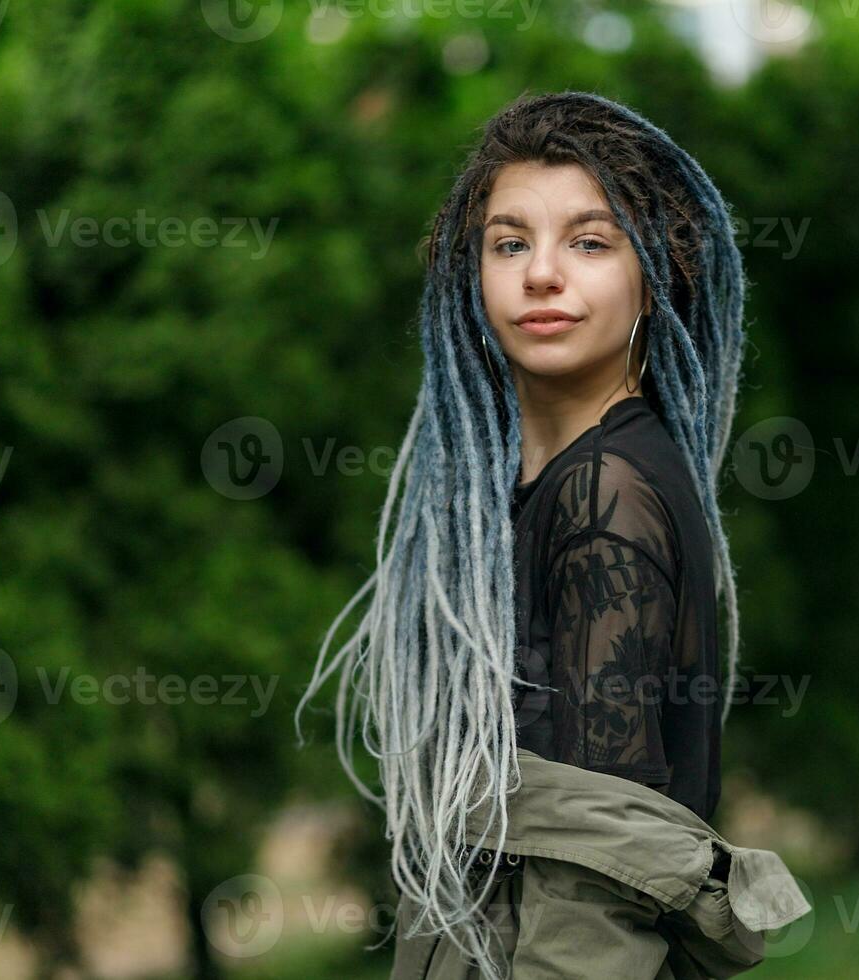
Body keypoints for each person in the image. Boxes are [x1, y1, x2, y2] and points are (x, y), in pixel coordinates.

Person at [296, 91, 806, 980]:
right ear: (471, 275)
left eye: (590, 241)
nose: (541, 273)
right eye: (510, 242)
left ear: (654, 273)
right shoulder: (533, 486)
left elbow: (597, 881)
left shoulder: (608, 495)